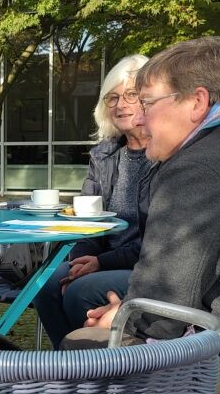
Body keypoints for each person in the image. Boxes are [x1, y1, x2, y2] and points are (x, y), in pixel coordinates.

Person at [65, 36, 220, 394]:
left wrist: (124, 319)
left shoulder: (198, 169)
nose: (140, 116)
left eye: (147, 102)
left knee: (82, 346)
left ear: (197, 101)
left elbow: (165, 300)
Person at [32, 55, 151, 349]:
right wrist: (80, 261)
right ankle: (68, 360)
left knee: (79, 293)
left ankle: (97, 363)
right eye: (112, 97)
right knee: (44, 283)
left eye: (131, 95)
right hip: (104, 258)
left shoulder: (166, 154)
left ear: (151, 99)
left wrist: (100, 263)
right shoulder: (104, 155)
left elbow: (159, 238)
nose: (120, 105)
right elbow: (86, 219)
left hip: (147, 264)